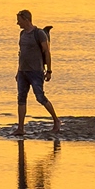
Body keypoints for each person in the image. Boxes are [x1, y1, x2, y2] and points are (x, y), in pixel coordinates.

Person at [15, 9, 59, 137]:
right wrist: (18, 71)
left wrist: (49, 71)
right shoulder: (22, 34)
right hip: (23, 72)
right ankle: (20, 128)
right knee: (21, 99)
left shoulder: (39, 34)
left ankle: (56, 121)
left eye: (19, 20)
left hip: (36, 71)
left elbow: (47, 52)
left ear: (26, 20)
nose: (17, 23)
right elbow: (21, 54)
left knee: (40, 97)